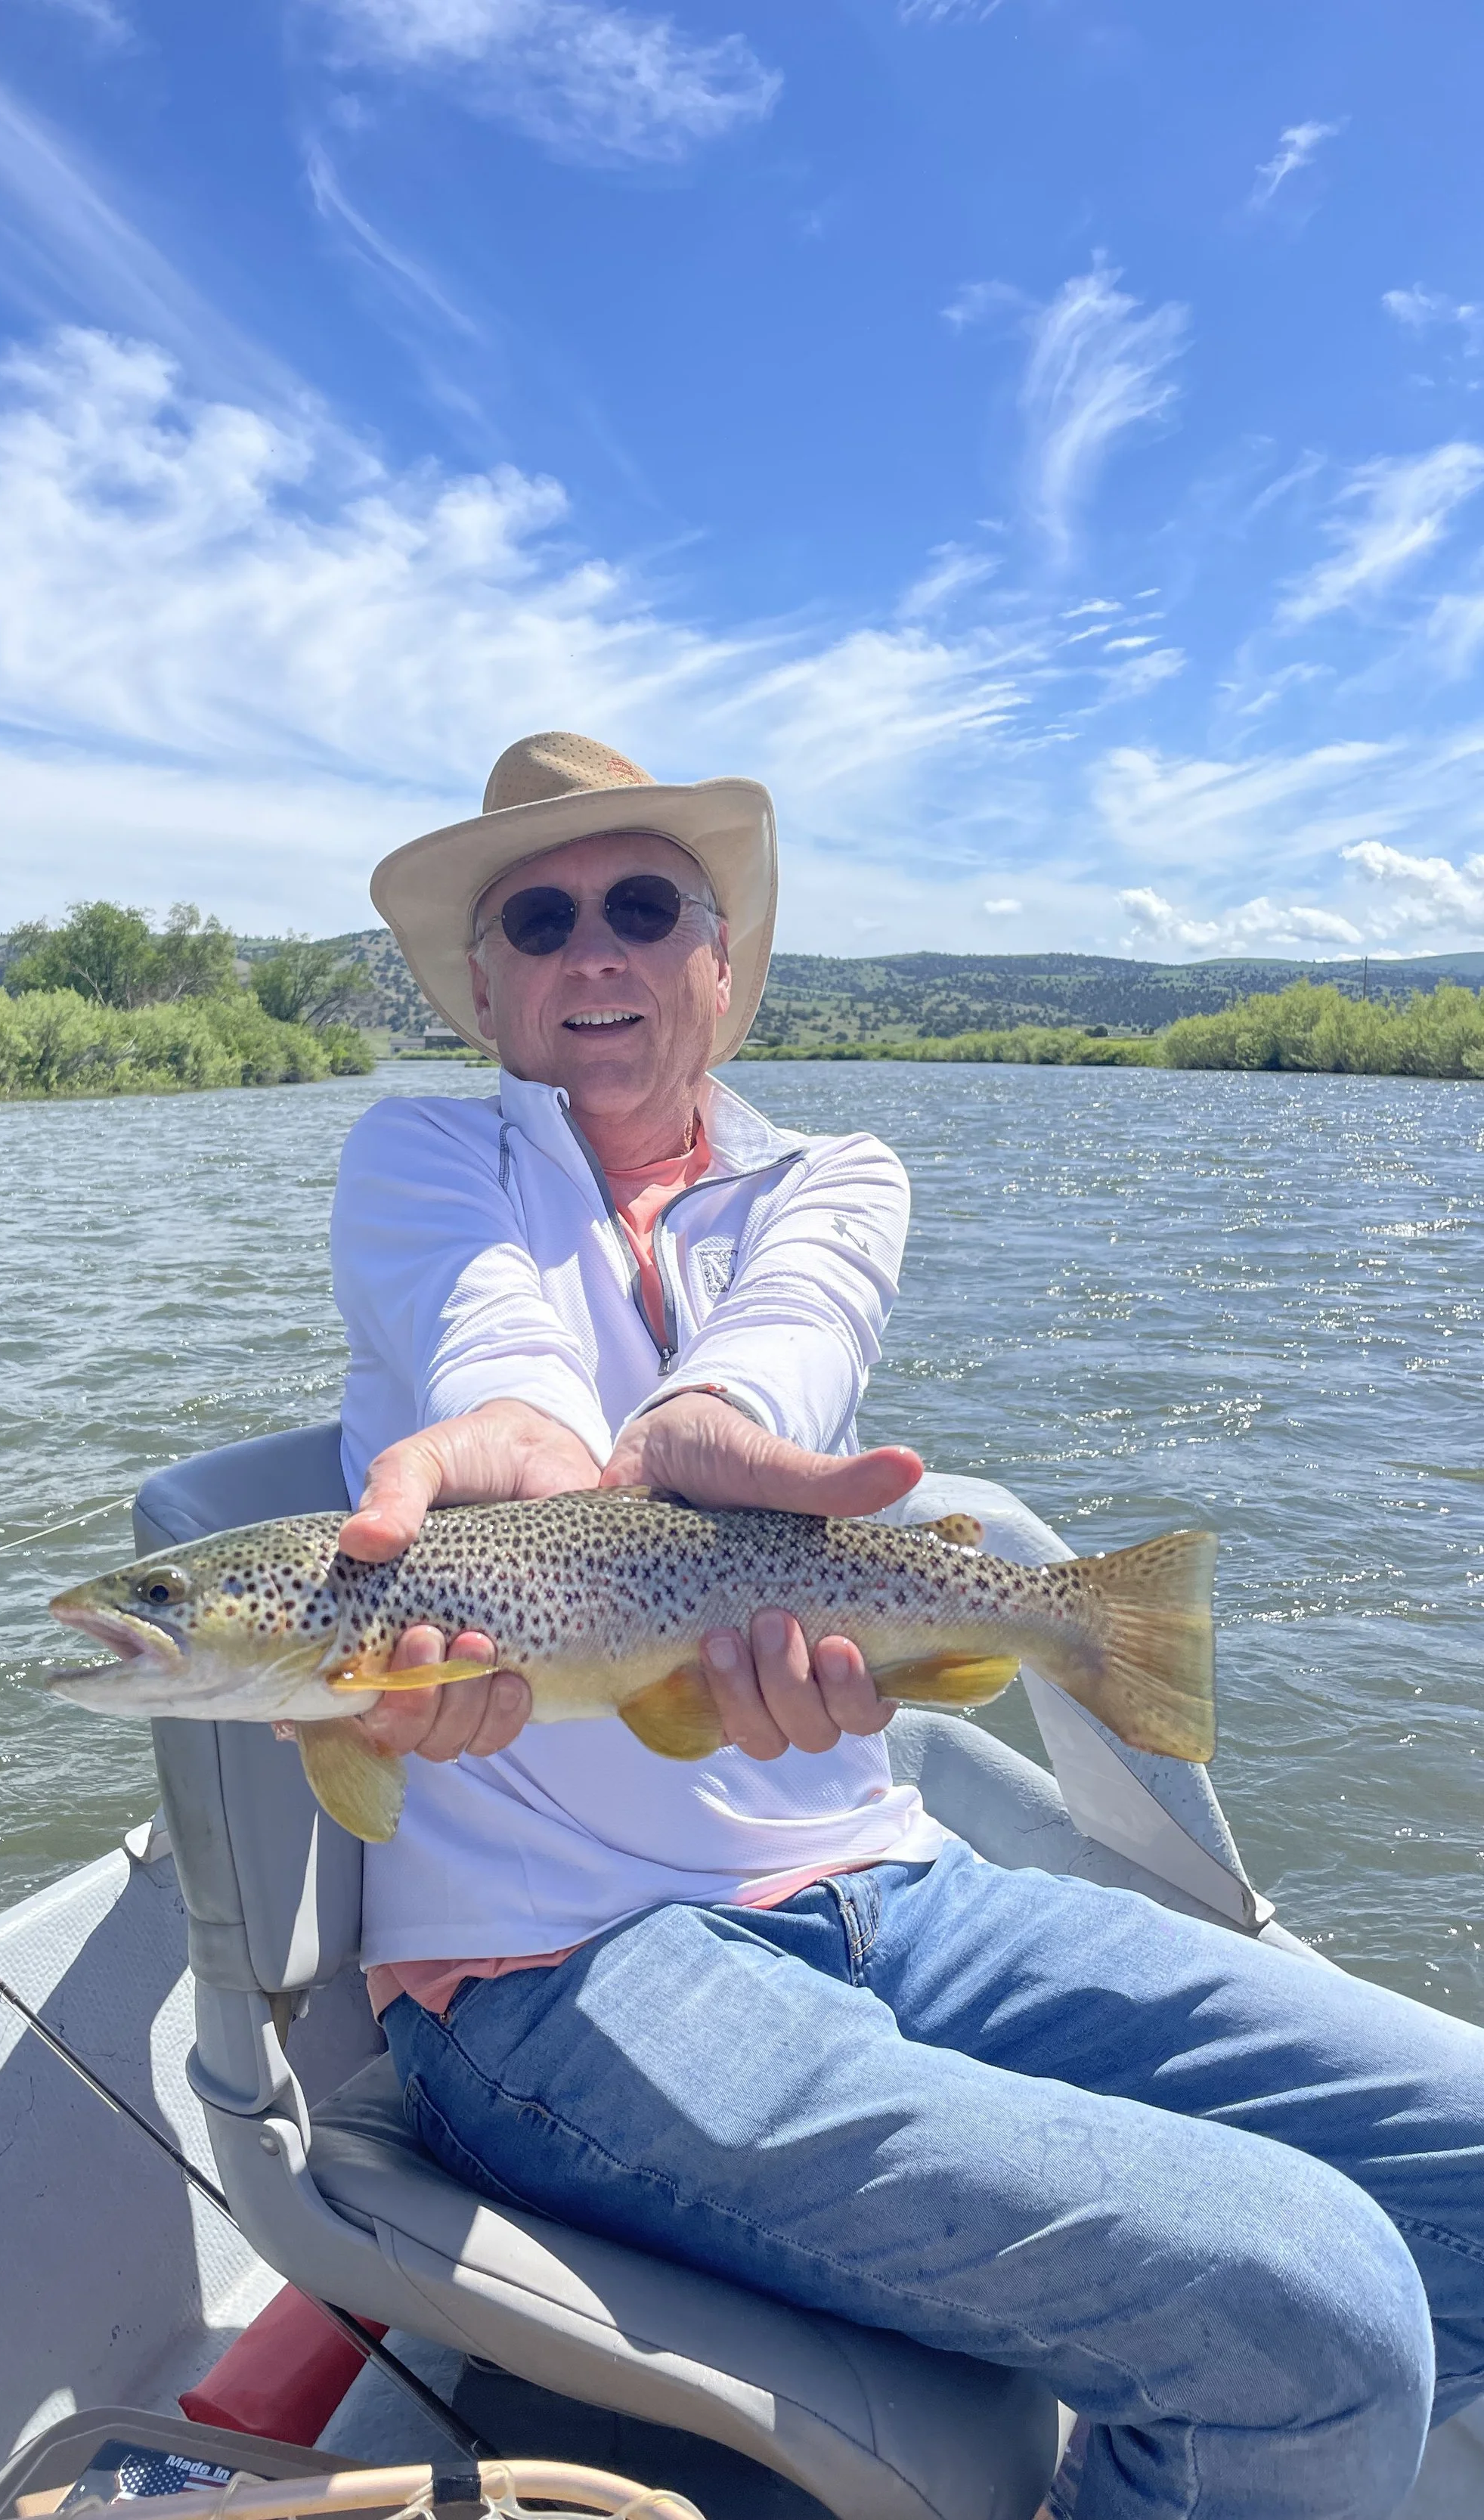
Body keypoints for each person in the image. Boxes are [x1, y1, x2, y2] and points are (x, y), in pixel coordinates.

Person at [326, 731, 1484, 2520]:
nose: (592, 951)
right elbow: (494, 1340)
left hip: (897, 1888)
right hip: (549, 1975)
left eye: (641, 905)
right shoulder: (418, 1158)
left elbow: (795, 1328)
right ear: (484, 986)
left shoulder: (835, 1174)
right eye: (537, 921)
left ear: (723, 961)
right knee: (1312, 2304)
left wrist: (709, 1427)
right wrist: (552, 1464)